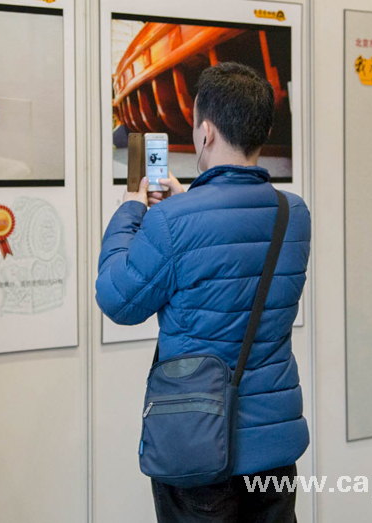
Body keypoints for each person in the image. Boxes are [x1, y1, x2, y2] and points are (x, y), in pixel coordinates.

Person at [96, 62, 310, 523]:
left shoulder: (169, 222)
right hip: (274, 446)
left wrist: (131, 210)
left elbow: (117, 298)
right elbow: (231, 248)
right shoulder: (293, 214)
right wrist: (186, 203)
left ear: (206, 132)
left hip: (197, 443)